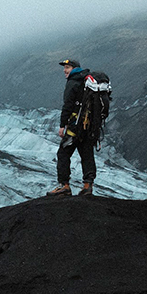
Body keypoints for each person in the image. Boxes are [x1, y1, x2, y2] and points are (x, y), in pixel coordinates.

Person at [46, 59, 96, 196]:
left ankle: (64, 186)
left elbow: (68, 105)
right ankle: (88, 186)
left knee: (63, 153)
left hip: (75, 126)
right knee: (87, 155)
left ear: (74, 68)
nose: (64, 70)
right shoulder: (87, 81)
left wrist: (62, 125)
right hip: (88, 126)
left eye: (67, 67)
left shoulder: (73, 82)